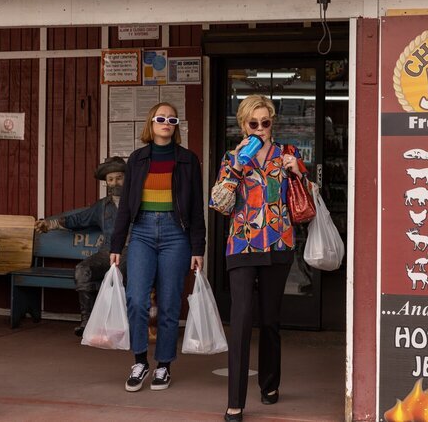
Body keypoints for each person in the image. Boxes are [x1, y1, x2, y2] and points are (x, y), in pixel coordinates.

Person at [209, 94, 310, 422]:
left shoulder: (287, 155)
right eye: (254, 123)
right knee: (240, 321)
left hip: (279, 243)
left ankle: (269, 383)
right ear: (243, 125)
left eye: (266, 122)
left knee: (270, 320)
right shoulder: (231, 158)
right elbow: (219, 204)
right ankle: (234, 402)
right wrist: (238, 166)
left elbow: (308, 199)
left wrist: (299, 173)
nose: (260, 128)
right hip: (242, 245)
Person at [110, 102, 205, 393]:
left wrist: (198, 248)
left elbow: (196, 207)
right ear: (151, 123)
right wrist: (117, 243)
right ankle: (140, 361)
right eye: (161, 118)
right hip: (142, 233)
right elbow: (126, 206)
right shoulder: (137, 159)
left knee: (169, 302)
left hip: (177, 235)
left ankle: (164, 364)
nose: (166, 123)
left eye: (171, 119)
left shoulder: (188, 160)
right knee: (136, 299)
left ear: (176, 127)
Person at [35, 156, 128, 337]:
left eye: (119, 178)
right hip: (107, 252)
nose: (114, 182)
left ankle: (123, 325)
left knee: (123, 270)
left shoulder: (136, 201)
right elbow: (78, 219)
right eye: (110, 179)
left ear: (127, 178)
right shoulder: (102, 206)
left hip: (132, 251)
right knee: (83, 270)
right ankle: (88, 323)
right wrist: (49, 224)